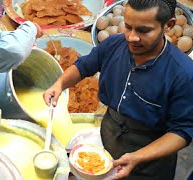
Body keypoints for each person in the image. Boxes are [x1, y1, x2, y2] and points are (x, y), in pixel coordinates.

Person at [43, 0, 193, 179]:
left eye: (143, 31)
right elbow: (84, 66)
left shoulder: (183, 73)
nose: (131, 37)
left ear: (168, 26)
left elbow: (182, 131)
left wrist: (136, 157)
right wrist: (59, 84)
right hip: (110, 132)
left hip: (150, 156)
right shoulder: (114, 44)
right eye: (128, 27)